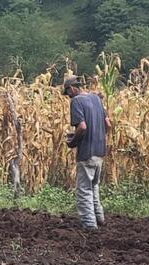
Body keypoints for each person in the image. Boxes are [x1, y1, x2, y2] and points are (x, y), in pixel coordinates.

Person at [63, 76, 112, 230]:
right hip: (99, 151)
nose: (68, 96)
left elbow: (82, 127)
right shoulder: (96, 99)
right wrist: (99, 137)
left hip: (87, 152)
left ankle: (90, 225)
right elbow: (108, 124)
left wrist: (73, 141)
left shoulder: (76, 101)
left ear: (71, 89)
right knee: (94, 187)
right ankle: (100, 218)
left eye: (68, 93)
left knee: (83, 190)